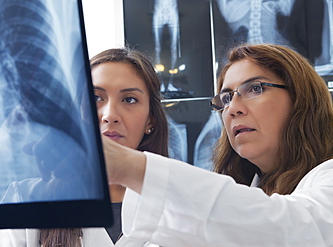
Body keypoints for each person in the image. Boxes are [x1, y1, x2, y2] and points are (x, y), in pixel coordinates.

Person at [102, 44, 333, 246]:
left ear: (302, 99)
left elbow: (293, 230)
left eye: (255, 88)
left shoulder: (326, 181)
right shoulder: (248, 191)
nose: (232, 109)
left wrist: (131, 167)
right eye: (226, 99)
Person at [0, 48, 169, 246]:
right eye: (96, 98)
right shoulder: (25, 201)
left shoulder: (183, 209)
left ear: (151, 120)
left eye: (129, 99)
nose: (109, 115)